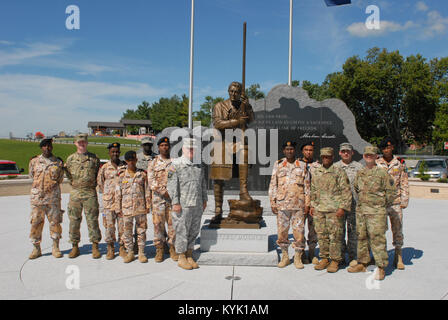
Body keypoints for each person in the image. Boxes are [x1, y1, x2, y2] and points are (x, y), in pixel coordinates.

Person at [348, 146, 396, 280]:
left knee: (377, 239)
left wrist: (380, 205)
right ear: (364, 156)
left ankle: (381, 267)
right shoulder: (360, 173)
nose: (368, 156)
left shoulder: (382, 173)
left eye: (371, 154)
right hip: (362, 211)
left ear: (376, 157)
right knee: (361, 238)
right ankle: (363, 263)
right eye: (366, 154)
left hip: (376, 213)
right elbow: (357, 189)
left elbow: (391, 192)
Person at [210, 81, 255, 224]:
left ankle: (243, 190)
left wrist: (247, 107)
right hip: (222, 142)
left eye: (236, 91)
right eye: (231, 91)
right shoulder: (220, 106)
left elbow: (251, 120)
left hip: (237, 142)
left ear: (240, 92)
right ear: (228, 91)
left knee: (245, 151)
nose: (233, 94)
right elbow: (217, 123)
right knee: (218, 178)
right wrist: (236, 122)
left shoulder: (244, 105)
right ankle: (218, 209)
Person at [167, 138, 207, 270]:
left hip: (197, 203)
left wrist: (205, 199)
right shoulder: (175, 164)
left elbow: (202, 184)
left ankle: (189, 253)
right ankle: (181, 256)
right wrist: (175, 202)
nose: (191, 150)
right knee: (181, 231)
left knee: (193, 230)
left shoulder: (198, 165)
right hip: (182, 205)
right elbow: (172, 186)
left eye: (193, 148)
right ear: (183, 149)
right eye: (188, 148)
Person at [269, 141, 310, 269]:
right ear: (284, 151)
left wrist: (307, 203)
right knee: (282, 232)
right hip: (282, 204)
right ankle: (285, 256)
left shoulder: (302, 165)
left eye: (291, 149)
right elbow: (273, 184)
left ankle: (298, 257)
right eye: (287, 149)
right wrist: (272, 201)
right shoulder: (278, 164)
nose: (289, 151)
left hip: (298, 204)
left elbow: (307, 186)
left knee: (299, 232)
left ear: (294, 150)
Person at [310, 147, 352, 273]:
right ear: (321, 157)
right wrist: (312, 205)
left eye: (328, 156)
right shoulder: (317, 172)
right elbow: (313, 190)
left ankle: (335, 260)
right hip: (319, 209)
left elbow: (346, 191)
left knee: (335, 236)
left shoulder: (339, 172)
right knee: (322, 235)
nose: (326, 159)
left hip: (334, 210)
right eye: (323, 157)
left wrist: (342, 208)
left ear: (332, 157)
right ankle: (324, 258)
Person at [64, 134, 101, 259]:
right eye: (79, 142)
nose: (82, 144)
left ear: (87, 143)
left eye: (84, 142)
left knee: (93, 220)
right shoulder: (70, 159)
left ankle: (95, 246)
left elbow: (96, 174)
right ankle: (75, 246)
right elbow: (68, 176)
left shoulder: (94, 159)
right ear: (75, 143)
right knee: (74, 221)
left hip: (90, 193)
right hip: (75, 193)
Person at [28, 138, 65, 259]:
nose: (47, 148)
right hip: (37, 199)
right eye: (45, 146)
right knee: (36, 223)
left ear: (52, 147)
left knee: (55, 223)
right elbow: (32, 176)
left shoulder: (58, 163)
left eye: (49, 146)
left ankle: (55, 247)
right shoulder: (34, 161)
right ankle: (36, 249)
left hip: (53, 199)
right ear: (41, 147)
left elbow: (60, 179)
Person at [376, 137, 409, 270]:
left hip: (395, 202)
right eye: (383, 147)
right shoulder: (377, 163)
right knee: (380, 229)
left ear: (392, 147)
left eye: (388, 147)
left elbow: (404, 182)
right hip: (381, 202)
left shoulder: (399, 163)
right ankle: (381, 256)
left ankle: (398, 255)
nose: (386, 149)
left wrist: (404, 200)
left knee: (397, 229)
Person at [115, 151, 151, 263]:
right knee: (127, 232)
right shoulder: (121, 176)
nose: (131, 162)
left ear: (136, 160)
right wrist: (118, 208)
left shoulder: (142, 174)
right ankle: (130, 252)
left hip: (140, 207)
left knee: (141, 231)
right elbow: (117, 193)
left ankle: (141, 252)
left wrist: (148, 205)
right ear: (126, 161)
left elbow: (147, 190)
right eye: (129, 160)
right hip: (126, 208)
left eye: (133, 159)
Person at [147, 137, 177, 263]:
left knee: (173, 225)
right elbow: (151, 181)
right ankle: (159, 249)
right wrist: (164, 192)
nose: (165, 147)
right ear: (158, 147)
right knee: (158, 225)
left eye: (166, 145)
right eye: (162, 145)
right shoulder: (153, 163)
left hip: (172, 200)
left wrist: (174, 194)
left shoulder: (175, 162)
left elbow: (179, 180)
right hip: (158, 200)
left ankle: (172, 249)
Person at [334, 143, 363, 266]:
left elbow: (362, 186)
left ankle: (353, 256)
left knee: (353, 232)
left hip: (354, 205)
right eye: (343, 151)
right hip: (339, 206)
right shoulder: (334, 167)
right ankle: (340, 257)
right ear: (340, 153)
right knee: (339, 231)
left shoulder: (359, 167)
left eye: (348, 151)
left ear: (352, 153)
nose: (346, 153)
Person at [97, 142, 126, 260]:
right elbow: (100, 183)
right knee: (109, 227)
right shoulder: (104, 168)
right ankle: (110, 248)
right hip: (109, 203)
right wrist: (109, 193)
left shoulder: (125, 166)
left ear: (120, 152)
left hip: (123, 203)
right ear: (109, 153)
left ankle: (122, 248)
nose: (115, 153)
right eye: (113, 151)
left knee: (122, 227)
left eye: (117, 151)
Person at [298, 141, 320, 264]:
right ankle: (301, 254)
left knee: (313, 229)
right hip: (300, 203)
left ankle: (312, 253)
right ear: (302, 151)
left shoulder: (318, 166)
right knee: (299, 229)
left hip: (314, 203)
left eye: (311, 150)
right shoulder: (297, 165)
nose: (308, 152)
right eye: (306, 150)